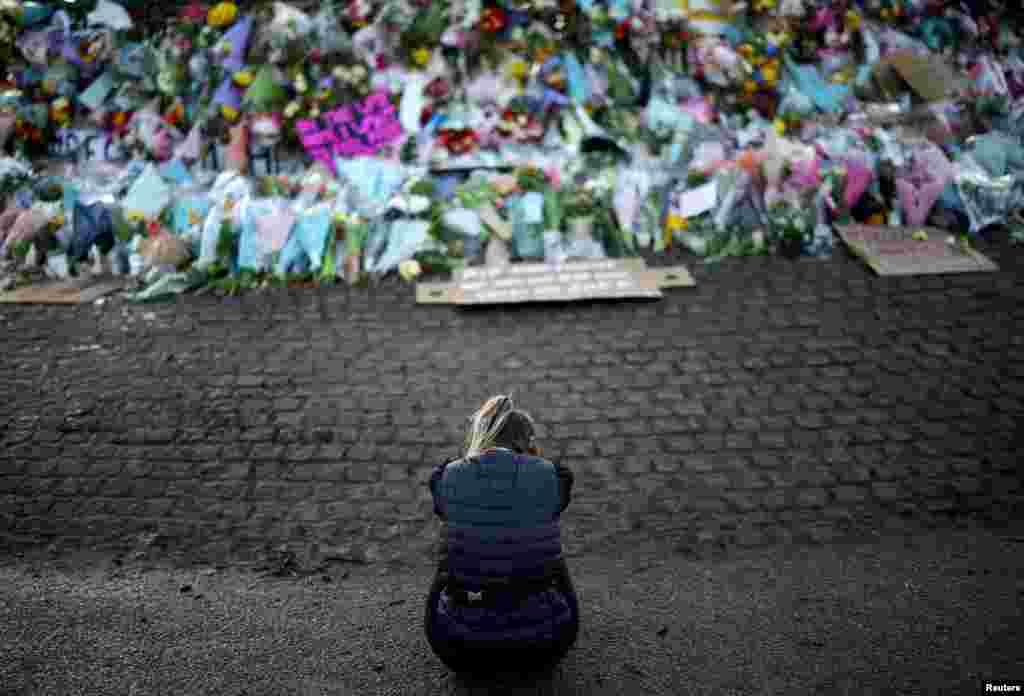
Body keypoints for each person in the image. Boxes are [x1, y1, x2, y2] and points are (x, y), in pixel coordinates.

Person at [423, 395, 579, 677]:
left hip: (458, 648)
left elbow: (440, 498)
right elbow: (561, 485)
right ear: (528, 442)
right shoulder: (551, 476)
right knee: (550, 553)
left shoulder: (448, 476)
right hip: (548, 646)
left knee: (450, 550)